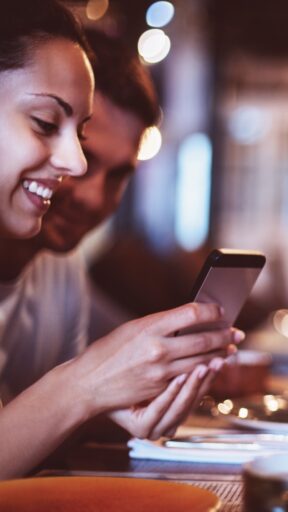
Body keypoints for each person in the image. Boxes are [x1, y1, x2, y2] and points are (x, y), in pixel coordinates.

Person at [0, 1, 240, 479]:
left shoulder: (60, 270)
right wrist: (84, 387)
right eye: (46, 124)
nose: (78, 167)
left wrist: (110, 405)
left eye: (78, 132)